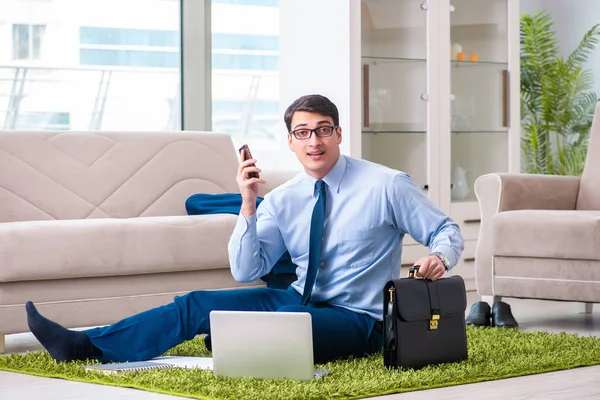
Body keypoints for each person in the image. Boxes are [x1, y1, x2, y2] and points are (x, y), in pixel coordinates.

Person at [25, 94, 464, 365]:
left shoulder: (386, 184)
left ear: (339, 134)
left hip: (360, 318)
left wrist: (439, 256)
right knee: (196, 305)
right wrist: (249, 204)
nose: (315, 141)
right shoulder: (284, 197)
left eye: (324, 130)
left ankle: (238, 338)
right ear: (290, 141)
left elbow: (445, 228)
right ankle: (85, 346)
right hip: (297, 295)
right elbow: (244, 268)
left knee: (285, 323)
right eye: (303, 132)